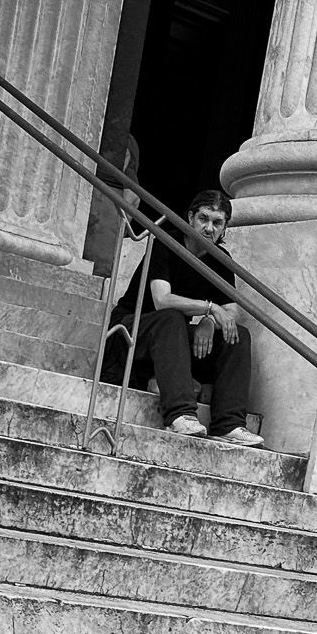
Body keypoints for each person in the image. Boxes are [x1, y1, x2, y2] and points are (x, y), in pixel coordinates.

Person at [101, 188, 265, 447]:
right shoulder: (166, 243)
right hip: (129, 331)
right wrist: (210, 309)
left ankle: (229, 424)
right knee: (171, 317)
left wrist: (209, 321)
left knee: (236, 335)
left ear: (225, 228)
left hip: (170, 341)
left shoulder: (220, 260)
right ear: (190, 218)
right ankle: (179, 414)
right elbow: (162, 300)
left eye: (217, 222)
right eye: (203, 219)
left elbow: (231, 312)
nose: (208, 228)